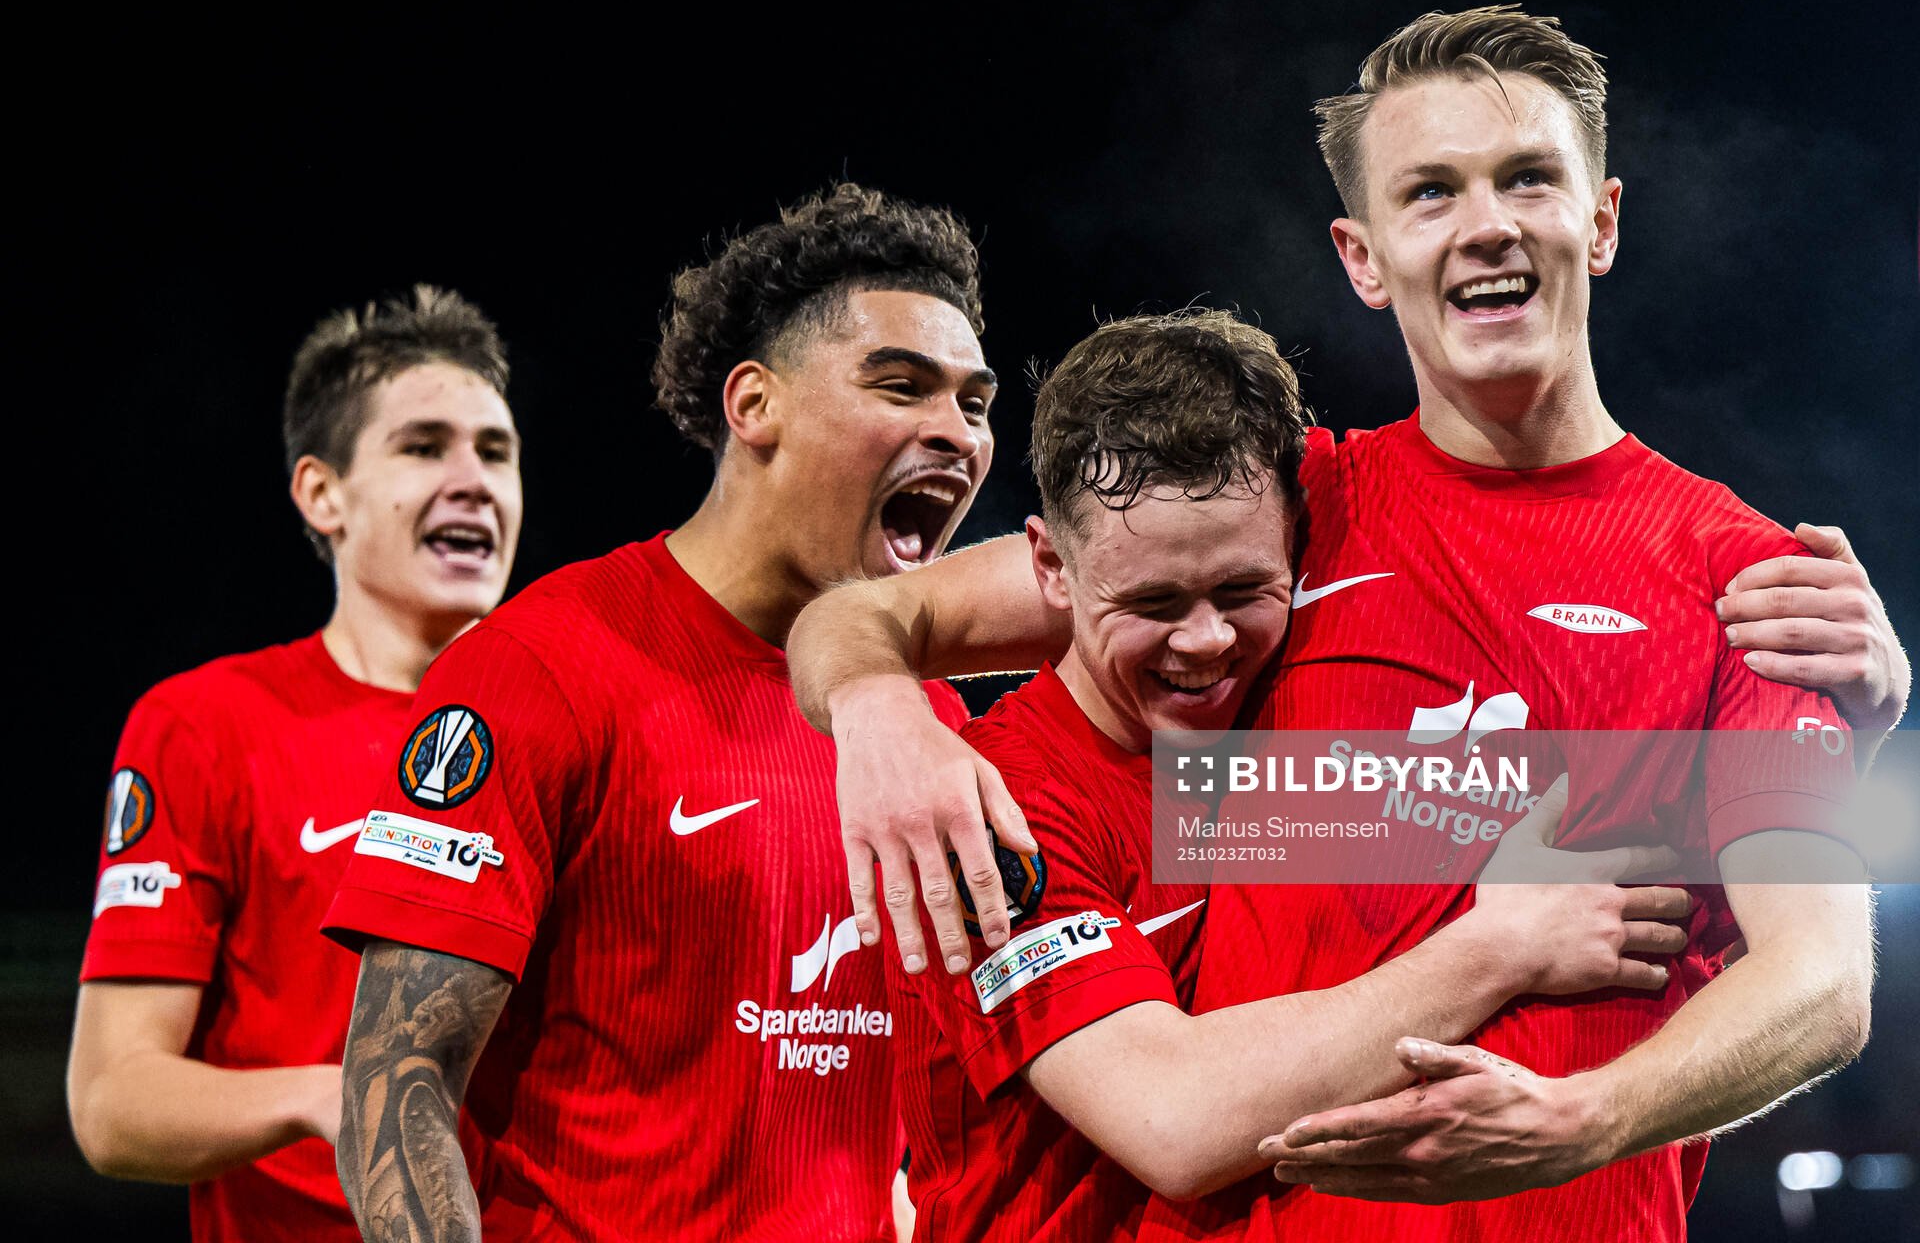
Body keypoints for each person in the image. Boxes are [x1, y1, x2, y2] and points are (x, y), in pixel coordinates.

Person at [786, 7, 1907, 1243]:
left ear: (1602, 219)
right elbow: (875, 616)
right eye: (1430, 192)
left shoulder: (1744, 577)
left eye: (1529, 176)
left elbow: (1820, 983)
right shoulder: (1277, 516)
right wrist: (883, 713)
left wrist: (1581, 1118)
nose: (1486, 224)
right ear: (1364, 257)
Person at [885, 308, 1696, 1242]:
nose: (1205, 641)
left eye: (1241, 591)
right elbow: (1175, 1122)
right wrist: (1502, 945)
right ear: (1051, 567)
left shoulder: (1299, 695)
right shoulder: (996, 807)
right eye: (1150, 603)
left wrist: (1845, 693)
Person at [322, 183, 995, 1241]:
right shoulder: (537, 668)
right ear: (754, 405)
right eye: (901, 385)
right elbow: (396, 1087)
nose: (952, 430)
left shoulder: (926, 729)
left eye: (974, 402)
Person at [68, 285, 523, 1242]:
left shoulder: (575, 719)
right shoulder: (205, 726)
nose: (473, 479)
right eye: (423, 446)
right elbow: (112, 1101)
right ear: (323, 494)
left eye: (495, 450)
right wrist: (338, 1096)